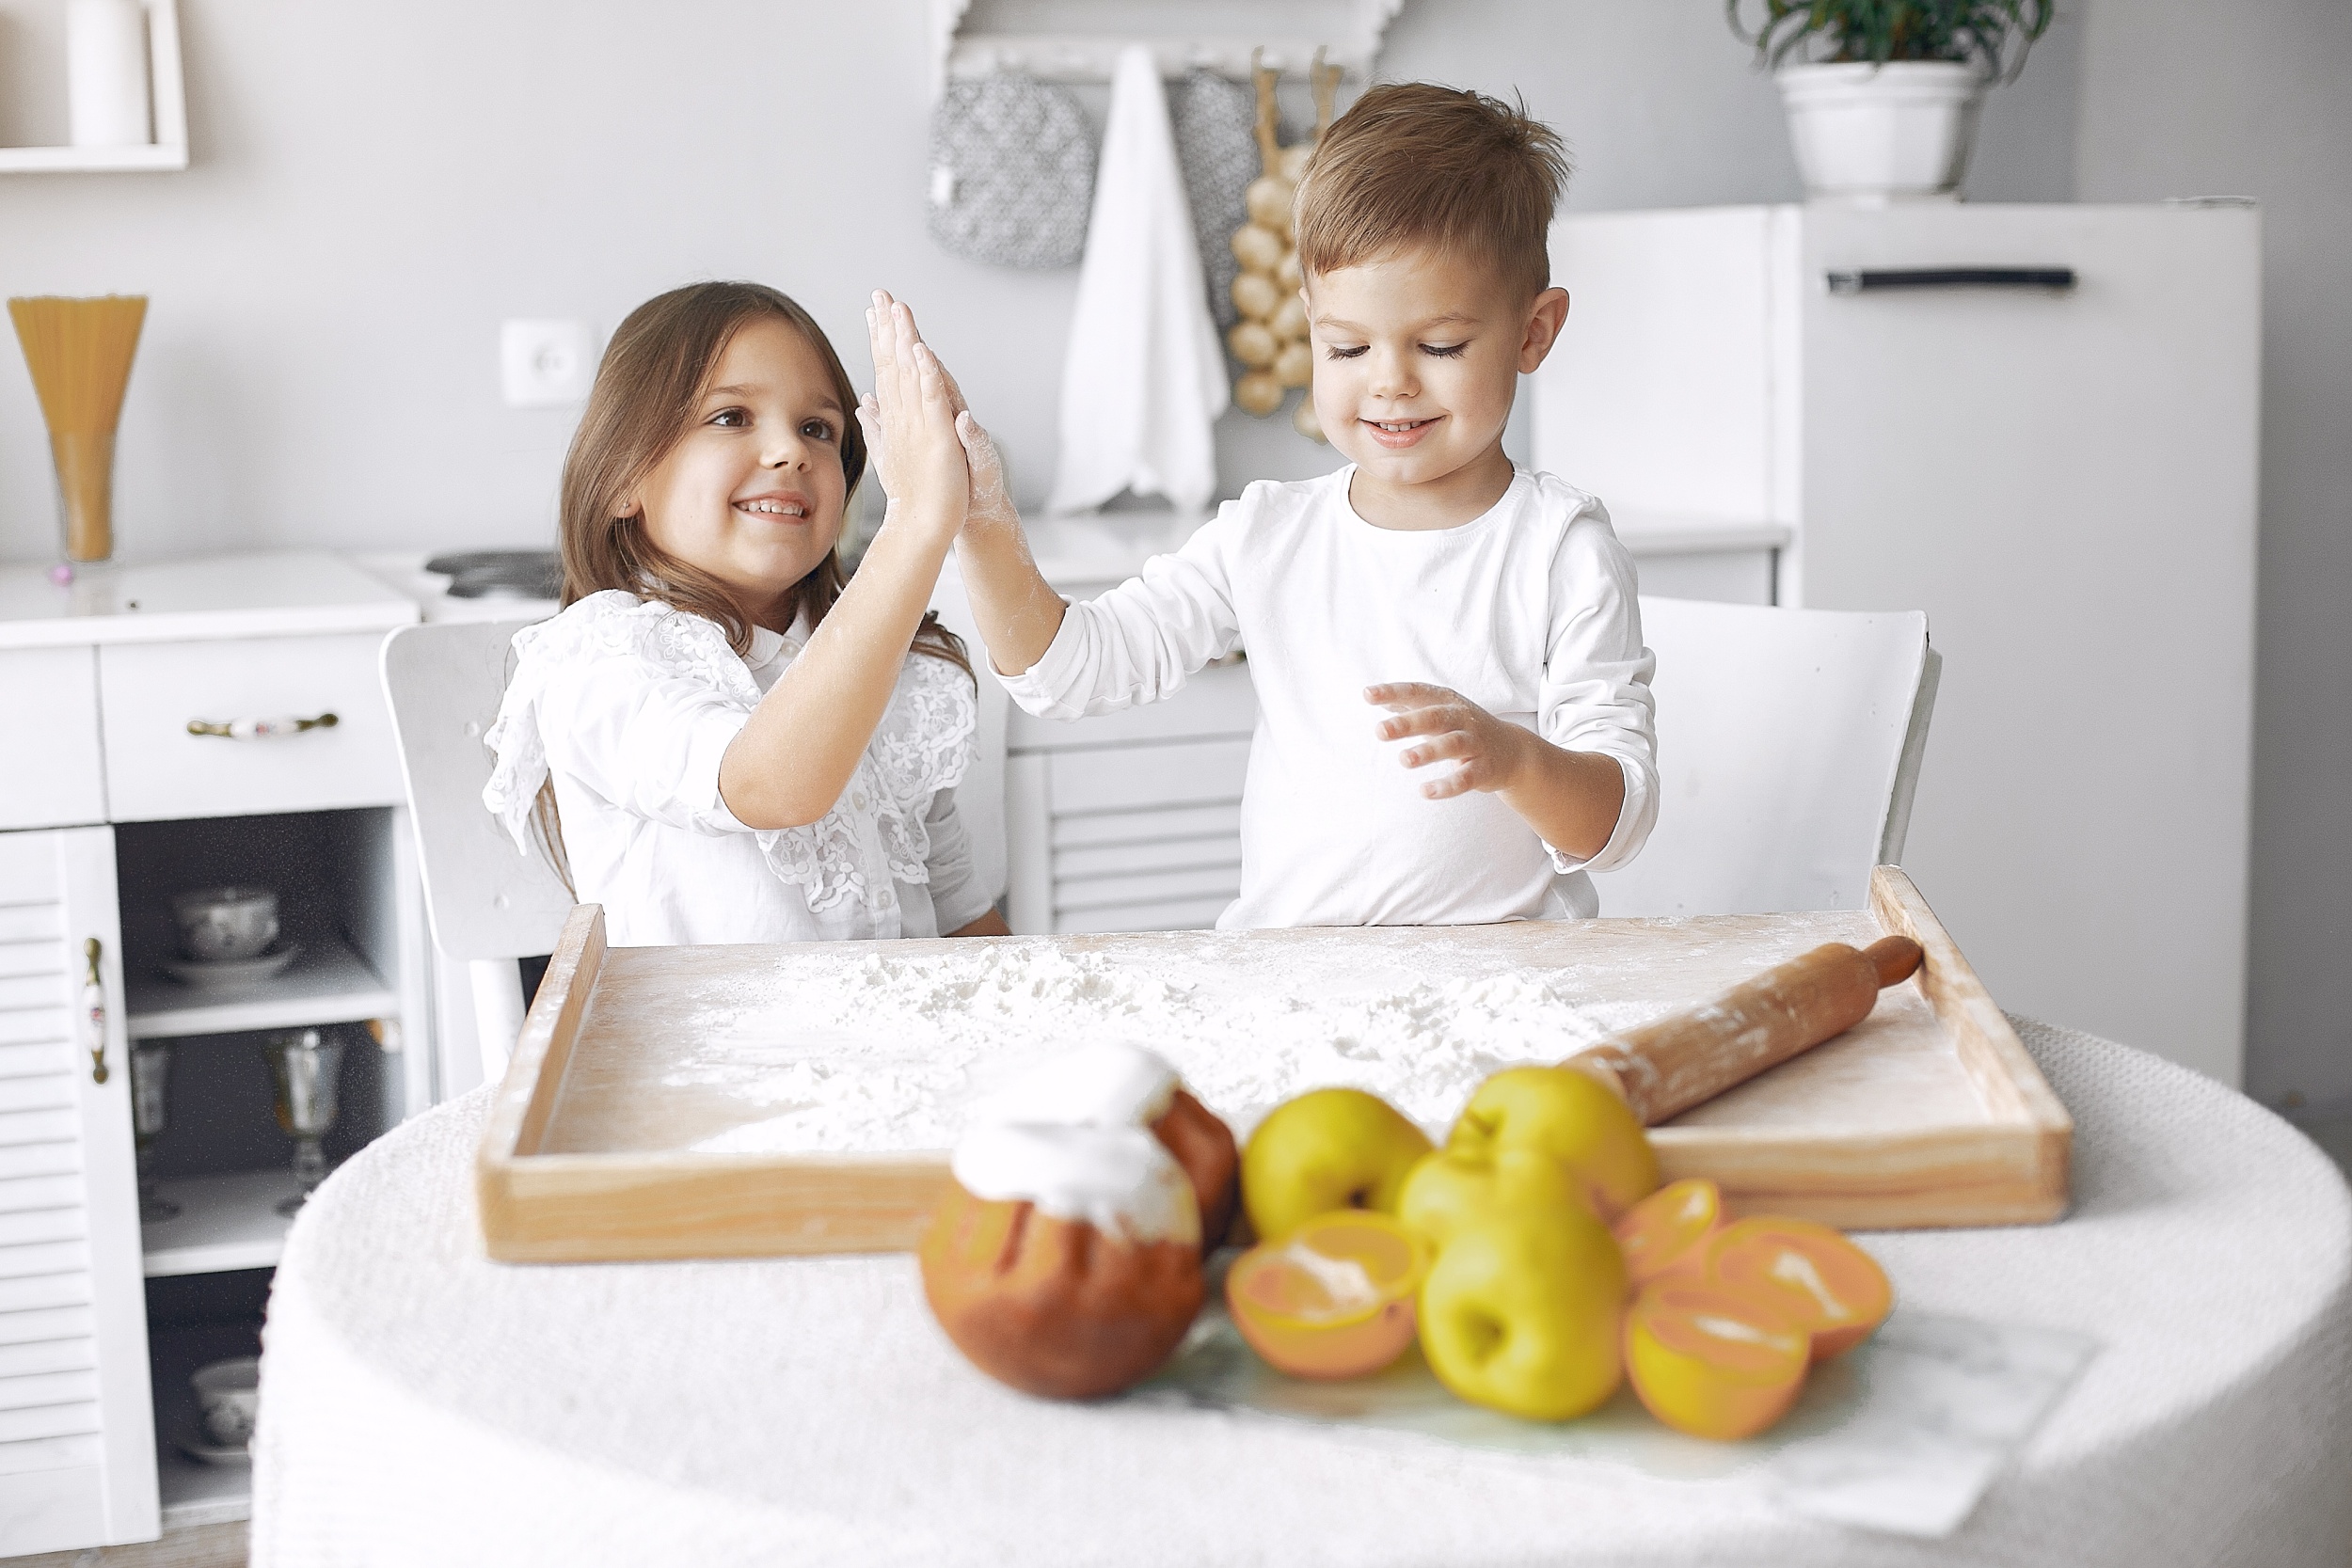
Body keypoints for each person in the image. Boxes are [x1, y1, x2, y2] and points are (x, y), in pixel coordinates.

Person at [930, 82, 1658, 928]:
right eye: (1346, 345)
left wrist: (1514, 760)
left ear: (1534, 331)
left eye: (1441, 344)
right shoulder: (1266, 536)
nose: (1389, 379)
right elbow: (1070, 673)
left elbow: (1619, 824)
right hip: (1294, 979)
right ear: (1310, 322)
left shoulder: (1558, 551)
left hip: (1501, 986)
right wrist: (980, 522)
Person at [482, 280, 1009, 946]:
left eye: (817, 429)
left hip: (896, 1044)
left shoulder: (892, 667)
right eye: (731, 417)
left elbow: (963, 916)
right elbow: (769, 787)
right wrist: (916, 529)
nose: (791, 451)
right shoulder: (603, 659)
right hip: (712, 1049)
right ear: (622, 479)